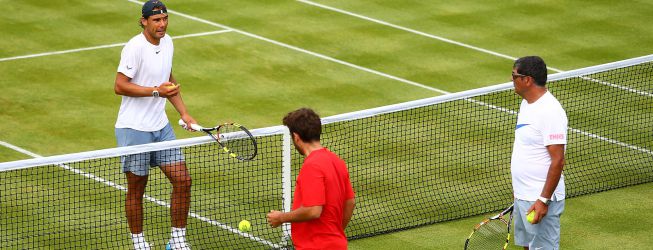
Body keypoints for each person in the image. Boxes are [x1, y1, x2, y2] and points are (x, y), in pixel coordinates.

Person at [114, 1, 196, 249]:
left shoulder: (168, 42)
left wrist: (185, 113)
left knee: (183, 181)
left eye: (165, 19)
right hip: (133, 129)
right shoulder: (134, 48)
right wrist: (155, 92)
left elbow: (168, 81)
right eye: (156, 20)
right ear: (144, 21)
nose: (162, 24)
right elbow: (119, 85)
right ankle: (139, 243)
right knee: (137, 188)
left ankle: (177, 241)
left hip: (161, 127)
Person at [267, 108, 356, 250]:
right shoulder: (337, 161)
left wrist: (281, 217)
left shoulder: (312, 165)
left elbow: (313, 210)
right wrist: (334, 234)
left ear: (296, 137)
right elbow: (350, 203)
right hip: (337, 245)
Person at [510, 56, 567, 250]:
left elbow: (558, 160)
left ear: (527, 79)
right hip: (524, 196)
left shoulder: (550, 111)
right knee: (528, 247)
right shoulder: (527, 103)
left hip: (540, 198)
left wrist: (543, 200)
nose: (511, 80)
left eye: (514, 75)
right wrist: (518, 192)